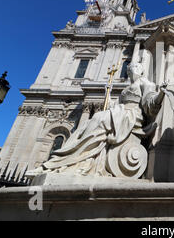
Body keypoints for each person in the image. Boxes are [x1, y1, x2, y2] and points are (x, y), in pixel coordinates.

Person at [27, 62, 166, 177]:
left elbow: (150, 102)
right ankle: (61, 161)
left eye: (135, 68)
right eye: (130, 69)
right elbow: (116, 103)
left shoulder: (146, 83)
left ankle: (69, 161)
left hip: (131, 114)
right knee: (86, 125)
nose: (132, 71)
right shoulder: (127, 87)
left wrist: (160, 95)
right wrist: (109, 101)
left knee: (99, 118)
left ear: (141, 71)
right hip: (120, 111)